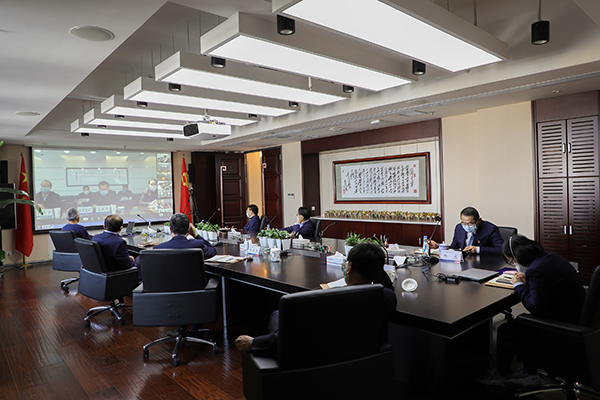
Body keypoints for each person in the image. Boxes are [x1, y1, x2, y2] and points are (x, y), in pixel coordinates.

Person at [234, 242, 397, 357]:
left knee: (278, 315)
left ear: (349, 267)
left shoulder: (327, 300)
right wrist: (375, 263)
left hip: (321, 357)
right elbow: (389, 287)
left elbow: (294, 336)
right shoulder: (385, 297)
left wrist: (254, 342)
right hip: (359, 357)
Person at [480, 234, 586, 387]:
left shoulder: (536, 270)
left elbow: (535, 308)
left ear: (517, 257)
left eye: (512, 261)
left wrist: (519, 285)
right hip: (576, 319)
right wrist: (529, 282)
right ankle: (528, 370)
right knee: (520, 323)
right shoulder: (551, 258)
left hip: (561, 329)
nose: (513, 264)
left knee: (506, 330)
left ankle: (507, 375)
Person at [134, 213, 216, 279]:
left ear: (170, 229)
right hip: (195, 290)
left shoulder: (158, 249)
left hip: (165, 291)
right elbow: (213, 251)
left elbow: (138, 263)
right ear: (189, 229)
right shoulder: (197, 245)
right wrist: (195, 235)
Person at [430, 206, 503, 254]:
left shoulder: (490, 229)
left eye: (470, 223)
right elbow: (453, 248)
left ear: (479, 220)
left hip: (484, 263)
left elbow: (501, 249)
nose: (466, 226)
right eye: (464, 223)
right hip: (464, 262)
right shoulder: (459, 228)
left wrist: (477, 249)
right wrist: (438, 246)